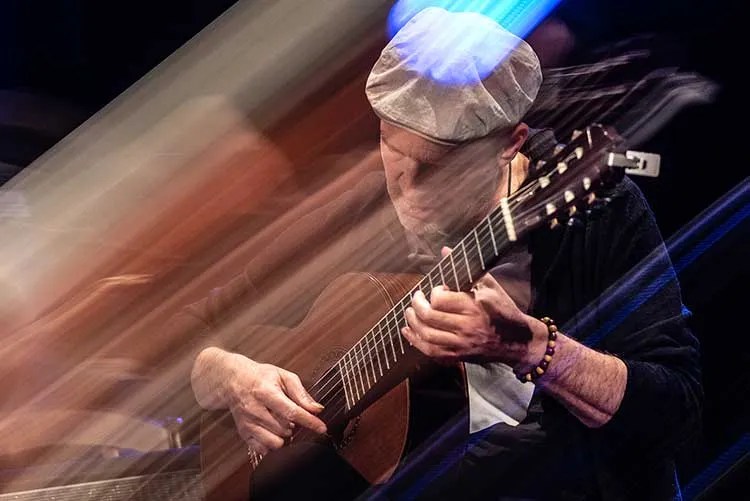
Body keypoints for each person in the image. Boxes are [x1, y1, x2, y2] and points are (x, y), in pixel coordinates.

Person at [187, 7, 701, 500]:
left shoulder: (593, 212)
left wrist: (531, 348)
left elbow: (678, 410)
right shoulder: (362, 209)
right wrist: (232, 378)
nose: (402, 186)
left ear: (510, 142)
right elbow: (199, 331)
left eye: (432, 167)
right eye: (391, 148)